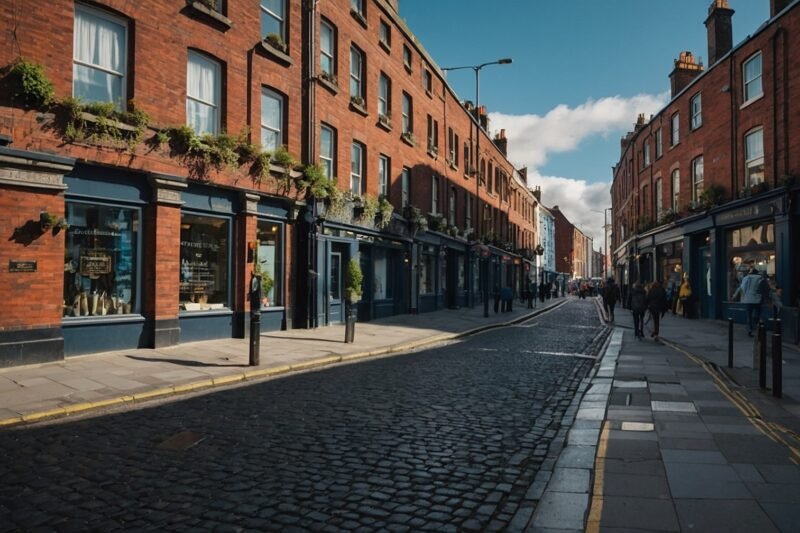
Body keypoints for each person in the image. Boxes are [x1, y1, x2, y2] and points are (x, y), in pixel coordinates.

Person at [732, 267, 764, 336]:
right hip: (758, 299)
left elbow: (741, 287)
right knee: (757, 315)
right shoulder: (761, 279)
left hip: (748, 299)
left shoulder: (747, 278)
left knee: (749, 315)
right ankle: (757, 329)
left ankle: (750, 330)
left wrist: (735, 295)